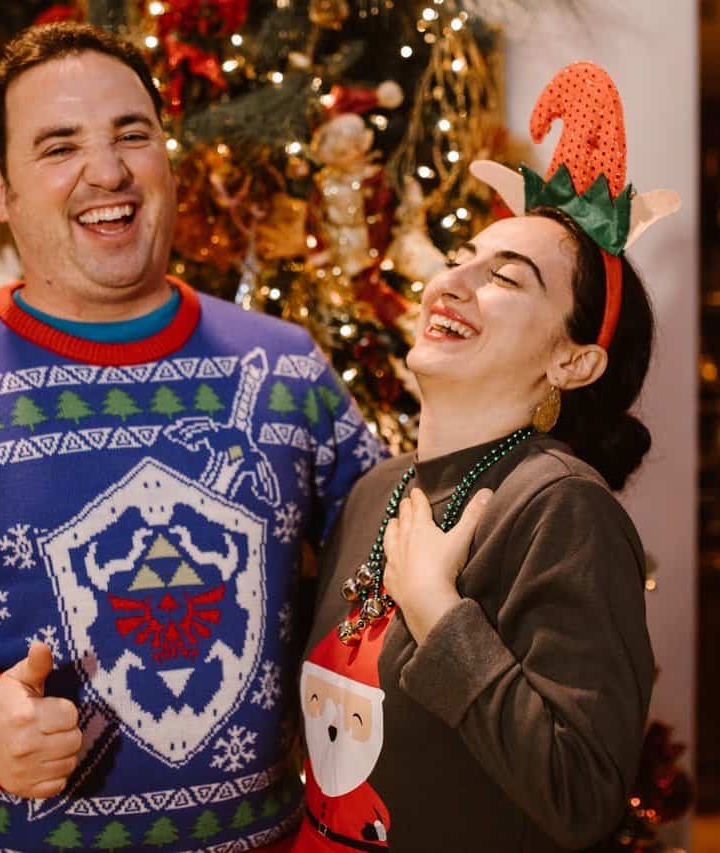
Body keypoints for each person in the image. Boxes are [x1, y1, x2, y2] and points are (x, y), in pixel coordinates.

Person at [0, 22, 384, 853]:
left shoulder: (287, 368)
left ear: (167, 158)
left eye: (132, 134)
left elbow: (377, 575)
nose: (106, 171)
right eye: (58, 145)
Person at [291, 62, 680, 852]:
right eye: (460, 255)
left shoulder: (563, 507)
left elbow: (582, 796)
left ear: (572, 362)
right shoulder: (376, 490)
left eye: (507, 277)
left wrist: (437, 610)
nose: (451, 282)